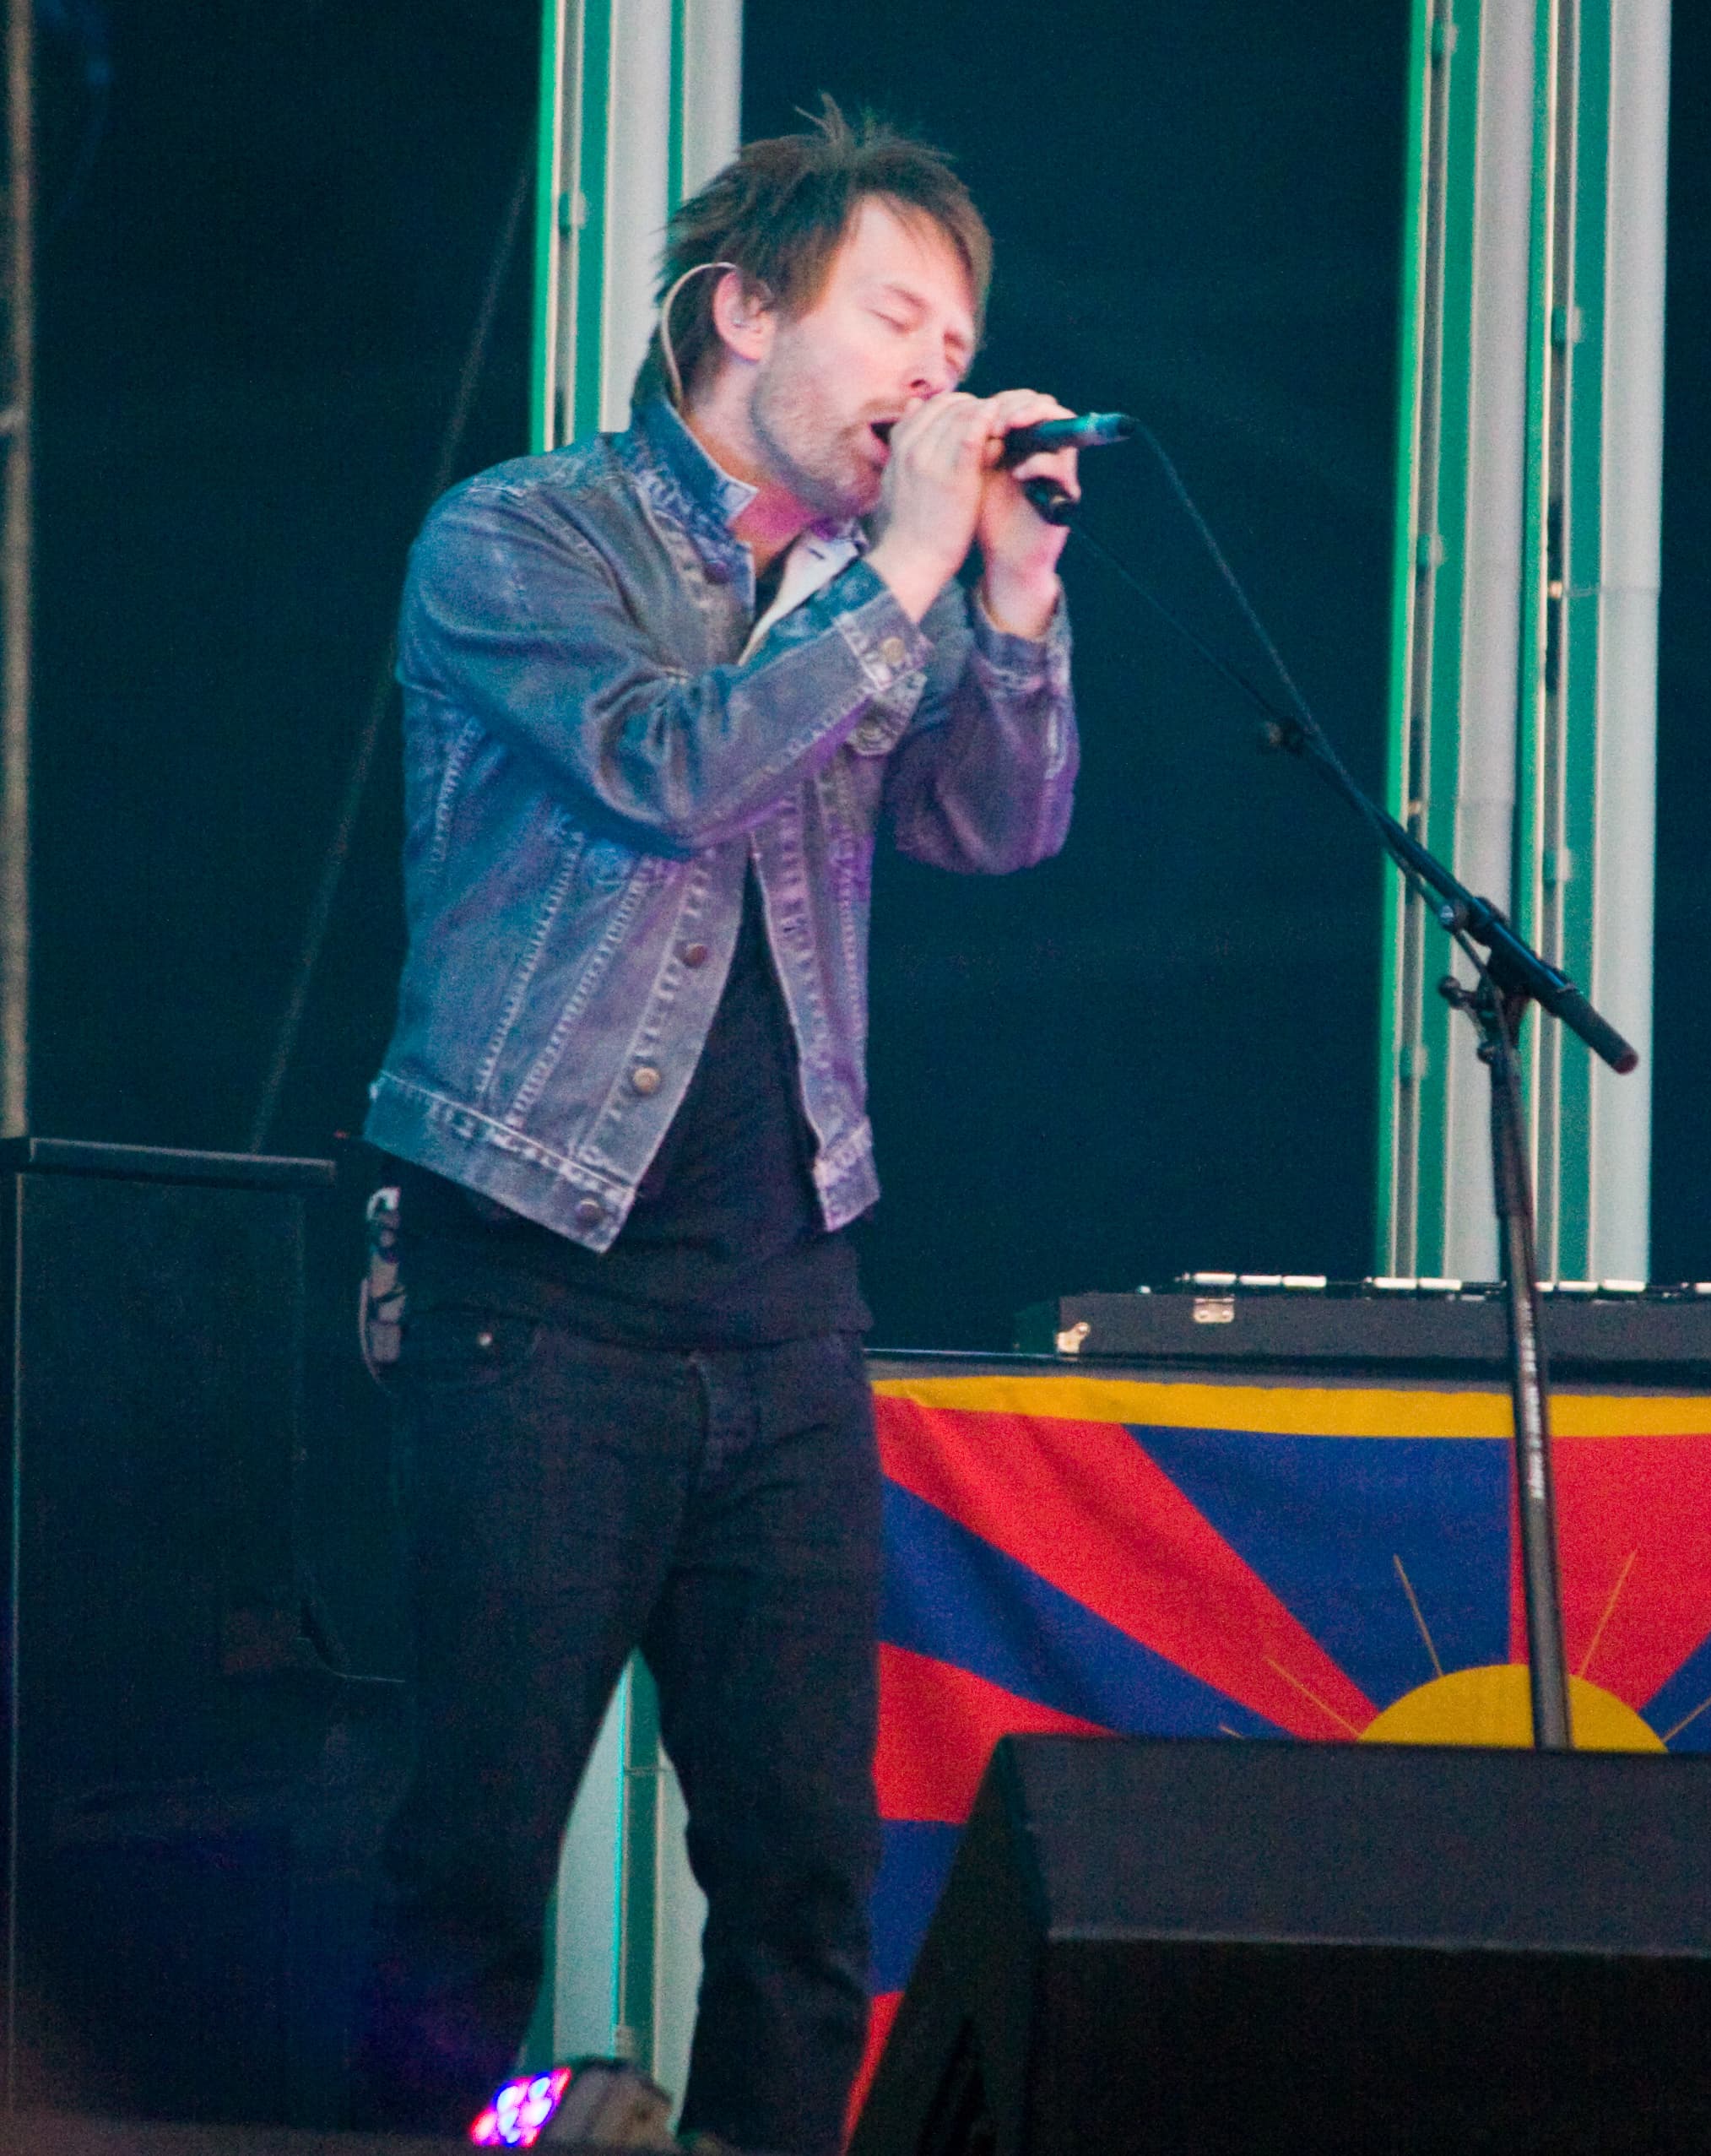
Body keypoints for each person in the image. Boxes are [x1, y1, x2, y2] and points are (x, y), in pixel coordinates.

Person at [353, 100, 1080, 2155]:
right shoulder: (523, 540)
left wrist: (1006, 614)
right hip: (536, 1293)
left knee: (801, 1885)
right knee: (466, 1870)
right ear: (746, 309)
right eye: (901, 322)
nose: (944, 378)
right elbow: (666, 770)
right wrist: (905, 578)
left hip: (783, 1305)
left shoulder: (886, 577)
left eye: (964, 339)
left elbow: (992, 825)